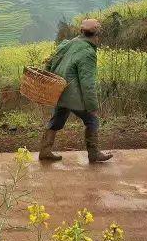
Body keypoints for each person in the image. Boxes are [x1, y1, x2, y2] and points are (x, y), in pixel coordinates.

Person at [39, 18, 113, 163]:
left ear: (81, 32)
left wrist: (49, 82)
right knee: (92, 120)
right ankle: (94, 153)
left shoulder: (68, 44)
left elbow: (49, 63)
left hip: (60, 91)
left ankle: (45, 150)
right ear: (97, 35)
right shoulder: (88, 53)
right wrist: (92, 106)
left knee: (57, 119)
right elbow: (88, 83)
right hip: (73, 95)